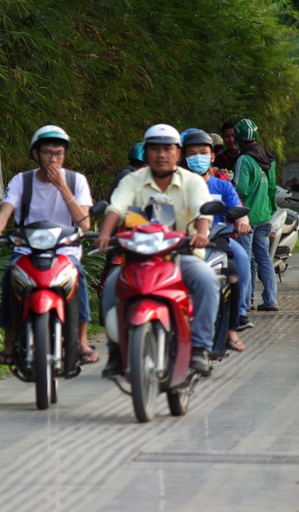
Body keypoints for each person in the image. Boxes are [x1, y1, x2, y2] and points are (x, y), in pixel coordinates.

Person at [96, 124, 220, 376]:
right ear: (146, 151)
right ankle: (115, 352)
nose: (161, 154)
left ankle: (199, 348)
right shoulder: (132, 180)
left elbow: (201, 210)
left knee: (208, 280)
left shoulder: (192, 182)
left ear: (178, 153)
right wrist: (105, 233)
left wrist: (201, 234)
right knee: (111, 285)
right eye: (154, 149)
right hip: (138, 258)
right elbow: (116, 207)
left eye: (168, 149)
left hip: (181, 255)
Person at [0, 125, 99, 365]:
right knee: (10, 275)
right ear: (36, 154)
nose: (53, 159)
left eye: (59, 153)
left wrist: (61, 187)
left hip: (65, 250)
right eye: (48, 153)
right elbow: (6, 210)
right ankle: (9, 343)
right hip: (27, 249)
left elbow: (84, 224)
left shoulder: (76, 180)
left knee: (78, 276)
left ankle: (80, 340)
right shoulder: (22, 180)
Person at [179, 129, 253, 350]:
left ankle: (233, 325)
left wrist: (243, 221)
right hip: (183, 243)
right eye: (192, 153)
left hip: (218, 241)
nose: (198, 157)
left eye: (203, 152)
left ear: (212, 156)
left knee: (236, 266)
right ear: (184, 157)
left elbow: (239, 209)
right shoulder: (176, 185)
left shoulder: (223, 185)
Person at [232, 119, 279, 312]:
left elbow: (240, 189)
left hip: (247, 218)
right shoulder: (268, 158)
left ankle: (246, 301)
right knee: (264, 259)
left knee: (246, 258)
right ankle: (270, 300)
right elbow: (273, 188)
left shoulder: (244, 160)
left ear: (237, 139)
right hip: (265, 216)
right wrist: (270, 210)